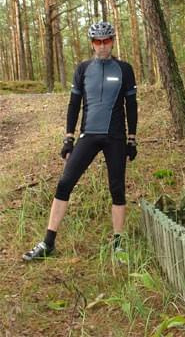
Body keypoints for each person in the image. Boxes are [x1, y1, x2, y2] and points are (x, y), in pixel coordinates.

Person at [23, 21, 138, 261]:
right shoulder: (83, 69)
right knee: (64, 184)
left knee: (116, 189)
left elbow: (132, 106)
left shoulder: (124, 69)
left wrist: (132, 139)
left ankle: (118, 245)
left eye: (106, 41)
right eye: (98, 41)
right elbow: (74, 105)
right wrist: (68, 137)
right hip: (88, 135)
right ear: (92, 44)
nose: (102, 46)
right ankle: (48, 242)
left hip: (115, 137)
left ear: (113, 41)